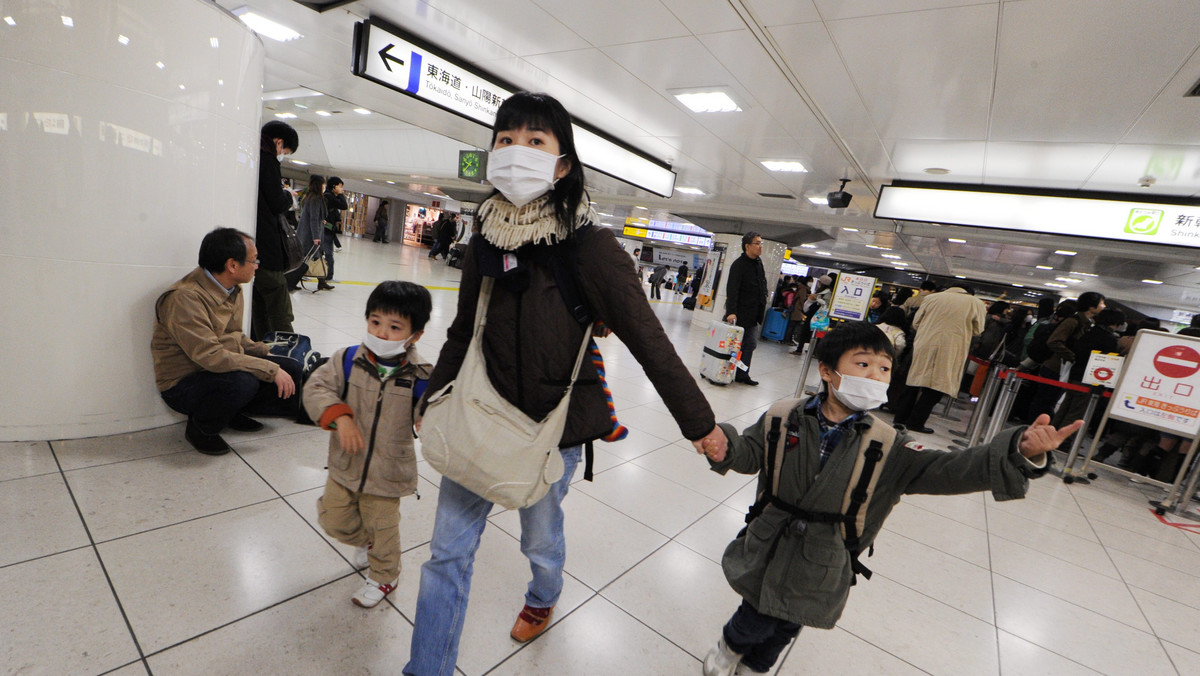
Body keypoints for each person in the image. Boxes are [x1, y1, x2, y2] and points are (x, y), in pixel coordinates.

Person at [403, 91, 726, 676]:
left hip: (553, 430)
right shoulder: (484, 239)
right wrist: (433, 393)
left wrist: (699, 425)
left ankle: (543, 592)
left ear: (563, 164)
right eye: (504, 140)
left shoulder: (591, 249)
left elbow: (647, 338)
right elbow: (462, 331)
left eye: (534, 141)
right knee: (446, 554)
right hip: (478, 411)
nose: (514, 152)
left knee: (540, 538)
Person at [696, 321, 1081, 676]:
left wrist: (1019, 451)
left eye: (884, 369)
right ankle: (729, 649)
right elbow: (749, 451)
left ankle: (756, 667)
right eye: (862, 364)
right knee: (757, 612)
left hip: (827, 553)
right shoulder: (783, 417)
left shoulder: (888, 444)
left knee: (791, 621)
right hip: (773, 539)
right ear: (827, 371)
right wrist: (723, 445)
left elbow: (949, 469)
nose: (875, 376)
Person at [303, 281, 433, 609]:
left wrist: (429, 419)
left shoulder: (420, 375)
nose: (382, 332)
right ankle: (369, 542)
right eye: (375, 322)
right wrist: (341, 418)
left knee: (384, 527)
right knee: (333, 519)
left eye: (394, 327)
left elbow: (433, 410)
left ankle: (384, 576)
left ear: (415, 335)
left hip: (387, 473)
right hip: (346, 464)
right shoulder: (347, 360)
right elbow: (317, 387)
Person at [151, 228, 301, 454]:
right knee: (244, 382)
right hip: (183, 382)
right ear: (232, 265)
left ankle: (229, 413)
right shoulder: (185, 298)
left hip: (215, 369)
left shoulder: (232, 288)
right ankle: (201, 428)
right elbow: (211, 356)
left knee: (290, 366)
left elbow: (234, 336)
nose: (257, 265)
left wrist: (263, 352)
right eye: (253, 260)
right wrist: (268, 369)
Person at [892, 283, 985, 434]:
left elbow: (916, 323)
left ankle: (900, 418)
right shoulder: (976, 303)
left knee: (913, 381)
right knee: (937, 386)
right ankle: (916, 422)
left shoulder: (932, 298)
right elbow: (977, 329)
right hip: (952, 348)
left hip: (925, 344)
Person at [251, 120, 298, 340]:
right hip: (267, 248)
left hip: (252, 249)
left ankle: (262, 352)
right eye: (284, 151)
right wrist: (289, 196)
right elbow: (277, 202)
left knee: (258, 307)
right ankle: (287, 355)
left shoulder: (252, 156)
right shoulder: (268, 160)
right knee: (279, 308)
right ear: (278, 142)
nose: (282, 155)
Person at [724, 232, 768, 385]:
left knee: (750, 345)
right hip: (739, 314)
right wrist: (731, 311)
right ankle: (726, 371)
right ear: (747, 246)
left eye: (761, 243)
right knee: (734, 346)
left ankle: (743, 374)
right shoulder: (739, 265)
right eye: (757, 243)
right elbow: (732, 289)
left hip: (753, 314)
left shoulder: (758, 263)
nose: (760, 246)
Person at [296, 174, 328, 285]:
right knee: (309, 258)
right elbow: (313, 218)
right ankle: (292, 281)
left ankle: (322, 281)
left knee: (309, 257)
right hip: (311, 234)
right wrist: (316, 237)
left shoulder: (308, 197)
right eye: (323, 185)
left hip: (304, 232)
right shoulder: (316, 198)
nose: (324, 187)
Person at [322, 176, 349, 284]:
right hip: (325, 229)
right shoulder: (329, 196)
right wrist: (341, 195)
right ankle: (327, 276)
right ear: (334, 186)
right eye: (340, 186)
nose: (341, 189)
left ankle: (327, 276)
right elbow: (344, 205)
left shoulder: (329, 196)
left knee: (326, 254)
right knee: (328, 255)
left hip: (328, 229)